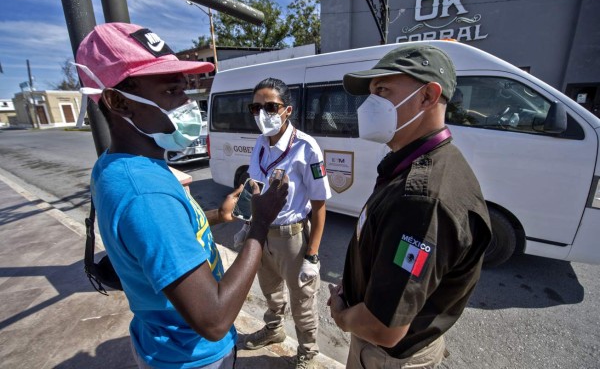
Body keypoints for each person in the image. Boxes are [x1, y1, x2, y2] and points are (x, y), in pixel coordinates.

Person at [75, 22, 288, 369]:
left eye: (186, 89)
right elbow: (214, 319)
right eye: (172, 91)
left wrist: (216, 216)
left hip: (160, 343)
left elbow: (165, 240)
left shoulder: (120, 166)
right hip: (190, 358)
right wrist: (260, 223)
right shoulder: (144, 192)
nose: (188, 104)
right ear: (117, 101)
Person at [327, 44, 492, 368]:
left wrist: (342, 316)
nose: (370, 104)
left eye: (383, 90)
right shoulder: (420, 164)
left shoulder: (422, 200)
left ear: (429, 96)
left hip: (386, 357)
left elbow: (383, 328)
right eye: (371, 92)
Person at [241, 78, 332, 369]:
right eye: (256, 107)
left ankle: (307, 353)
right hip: (262, 233)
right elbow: (255, 187)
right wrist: (248, 226)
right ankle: (274, 329)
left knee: (303, 301)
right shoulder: (258, 143)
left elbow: (319, 206)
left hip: (292, 238)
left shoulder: (307, 148)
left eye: (270, 107)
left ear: (287, 110)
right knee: (270, 291)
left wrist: (312, 255)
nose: (262, 114)